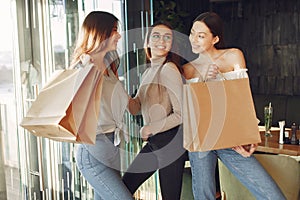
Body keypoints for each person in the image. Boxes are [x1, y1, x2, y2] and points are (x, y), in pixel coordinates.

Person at [183, 12, 286, 200]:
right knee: (204, 196)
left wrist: (250, 133)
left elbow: (242, 98)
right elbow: (190, 110)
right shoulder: (187, 69)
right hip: (201, 139)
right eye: (192, 33)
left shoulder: (233, 56)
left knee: (273, 196)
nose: (194, 40)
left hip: (231, 138)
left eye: (201, 35)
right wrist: (204, 80)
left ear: (215, 38)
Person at [122, 21, 188, 200]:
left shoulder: (169, 69)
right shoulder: (147, 72)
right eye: (156, 36)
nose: (162, 41)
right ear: (148, 41)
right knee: (123, 188)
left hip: (171, 143)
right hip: (155, 143)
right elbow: (136, 108)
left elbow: (181, 114)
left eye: (168, 37)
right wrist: (120, 92)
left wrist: (151, 128)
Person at [73, 11, 133, 200]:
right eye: (114, 30)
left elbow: (128, 105)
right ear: (100, 32)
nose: (119, 35)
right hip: (92, 150)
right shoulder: (82, 67)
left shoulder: (109, 67)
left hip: (112, 147)